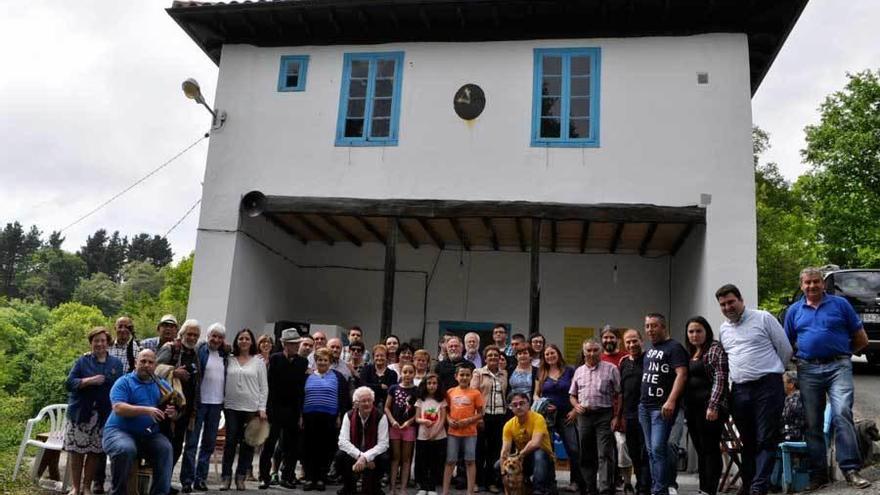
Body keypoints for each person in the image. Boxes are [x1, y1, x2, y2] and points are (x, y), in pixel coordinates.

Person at [783, 268, 872, 489]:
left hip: (838, 366)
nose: (811, 286)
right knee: (812, 423)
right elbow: (787, 343)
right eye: (807, 283)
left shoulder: (840, 305)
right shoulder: (794, 311)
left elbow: (862, 339)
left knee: (842, 412)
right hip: (808, 370)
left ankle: (851, 469)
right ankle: (818, 475)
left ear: (823, 284)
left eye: (815, 282)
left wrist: (842, 353)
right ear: (801, 285)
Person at [717, 284, 792, 495]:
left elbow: (785, 349)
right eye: (723, 304)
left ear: (741, 300)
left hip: (767, 387)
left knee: (766, 438)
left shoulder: (763, 318)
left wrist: (773, 373)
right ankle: (749, 483)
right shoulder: (723, 329)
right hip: (740, 390)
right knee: (747, 441)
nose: (727, 307)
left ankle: (759, 486)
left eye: (731, 302)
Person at [102, 349, 177, 495]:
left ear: (155, 365)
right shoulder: (124, 382)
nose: (146, 365)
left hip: (149, 435)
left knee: (165, 448)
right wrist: (147, 410)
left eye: (150, 362)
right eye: (143, 361)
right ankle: (118, 492)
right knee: (125, 448)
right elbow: (118, 408)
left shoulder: (162, 385)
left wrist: (173, 413)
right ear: (136, 363)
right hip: (119, 432)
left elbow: (175, 410)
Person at [65, 327, 124, 495]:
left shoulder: (116, 364)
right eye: (96, 340)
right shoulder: (82, 361)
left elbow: (118, 387)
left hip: (103, 415)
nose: (100, 344)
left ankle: (87, 487)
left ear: (108, 343)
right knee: (77, 453)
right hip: (80, 413)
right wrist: (88, 381)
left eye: (103, 340)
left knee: (94, 453)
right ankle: (76, 488)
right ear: (91, 343)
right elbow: (69, 384)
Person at [639, 313, 687, 495]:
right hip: (644, 406)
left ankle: (659, 490)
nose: (650, 330)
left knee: (659, 449)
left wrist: (671, 400)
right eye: (647, 326)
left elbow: (682, 374)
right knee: (651, 450)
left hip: (661, 407)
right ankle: (658, 487)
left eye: (654, 326)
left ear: (663, 327)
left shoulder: (674, 347)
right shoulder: (650, 349)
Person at [683, 316, 729, 495]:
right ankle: (703, 488)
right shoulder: (690, 352)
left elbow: (720, 378)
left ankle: (710, 489)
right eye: (691, 332)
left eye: (698, 331)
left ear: (706, 331)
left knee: (710, 449)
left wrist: (713, 405)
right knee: (700, 450)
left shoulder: (714, 349)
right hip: (692, 409)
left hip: (710, 408)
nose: (695, 335)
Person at [180, 323, 228, 493]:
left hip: (216, 406)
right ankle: (187, 480)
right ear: (207, 336)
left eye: (220, 337)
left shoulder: (225, 355)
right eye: (213, 336)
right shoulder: (200, 351)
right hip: (198, 404)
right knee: (192, 443)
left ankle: (200, 479)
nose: (216, 339)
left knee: (208, 444)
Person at [570, 338, 620, 495]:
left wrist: (616, 416)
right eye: (588, 350)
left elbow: (619, 394)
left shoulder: (611, 369)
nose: (591, 353)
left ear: (600, 351)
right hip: (584, 416)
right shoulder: (578, 371)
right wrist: (575, 405)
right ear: (584, 353)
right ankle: (590, 487)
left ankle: (605, 488)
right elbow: (572, 394)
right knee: (586, 452)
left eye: (595, 350)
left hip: (604, 414)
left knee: (604, 452)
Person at [259, 328, 308, 490]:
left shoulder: (302, 362)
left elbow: (301, 389)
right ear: (284, 344)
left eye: (297, 343)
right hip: (274, 408)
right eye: (293, 344)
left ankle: (287, 476)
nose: (296, 346)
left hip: (293, 409)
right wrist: (265, 409)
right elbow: (269, 386)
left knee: (291, 446)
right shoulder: (275, 359)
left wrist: (300, 413)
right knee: (269, 444)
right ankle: (264, 477)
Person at [221, 328, 268, 491]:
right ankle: (225, 478)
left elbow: (264, 387)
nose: (244, 341)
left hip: (251, 408)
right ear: (236, 341)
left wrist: (262, 408)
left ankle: (241, 478)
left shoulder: (258, 361)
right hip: (231, 406)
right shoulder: (229, 359)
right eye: (241, 338)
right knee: (230, 442)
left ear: (252, 342)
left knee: (248, 443)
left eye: (247, 338)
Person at [156, 319, 203, 476]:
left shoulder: (194, 353)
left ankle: (166, 480)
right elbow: (154, 370)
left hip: (186, 409)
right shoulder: (170, 348)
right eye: (189, 334)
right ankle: (159, 481)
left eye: (196, 335)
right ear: (182, 334)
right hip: (168, 407)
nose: (192, 337)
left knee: (176, 447)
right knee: (165, 445)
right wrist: (174, 372)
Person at [302, 347, 351, 491]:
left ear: (330, 362)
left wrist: (339, 416)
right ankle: (310, 478)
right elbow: (301, 396)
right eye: (319, 360)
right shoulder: (308, 376)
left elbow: (343, 399)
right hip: (309, 417)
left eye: (325, 360)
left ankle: (321, 478)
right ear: (315, 361)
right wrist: (300, 416)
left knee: (326, 448)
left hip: (329, 418)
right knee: (309, 448)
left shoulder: (338, 377)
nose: (322, 362)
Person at [536, 343, 582, 493]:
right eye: (547, 354)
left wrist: (575, 410)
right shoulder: (541, 372)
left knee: (574, 449)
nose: (550, 356)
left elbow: (577, 392)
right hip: (547, 417)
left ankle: (575, 481)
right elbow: (536, 394)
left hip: (566, 415)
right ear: (544, 357)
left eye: (552, 353)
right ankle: (551, 482)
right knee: (549, 451)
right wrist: (540, 402)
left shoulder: (569, 371)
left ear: (558, 354)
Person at [336, 386, 390, 495]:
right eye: (363, 401)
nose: (367, 404)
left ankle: (374, 486)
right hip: (356, 453)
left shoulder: (381, 416)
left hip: (372, 454)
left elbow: (383, 444)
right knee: (340, 456)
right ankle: (349, 487)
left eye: (369, 400)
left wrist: (366, 457)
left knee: (384, 457)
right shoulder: (349, 415)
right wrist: (360, 456)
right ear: (356, 403)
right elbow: (342, 441)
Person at [500, 393, 556, 495]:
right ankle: (521, 484)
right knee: (498, 465)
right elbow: (505, 451)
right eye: (515, 404)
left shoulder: (538, 418)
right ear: (510, 408)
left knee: (539, 454)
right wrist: (503, 472)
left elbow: (535, 443)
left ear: (528, 404)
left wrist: (519, 455)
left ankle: (539, 489)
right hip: (524, 459)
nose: (518, 407)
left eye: (522, 403)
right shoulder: (508, 425)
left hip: (543, 459)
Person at [617, 329, 651, 495]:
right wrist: (619, 416)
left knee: (646, 452)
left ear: (641, 340)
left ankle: (645, 487)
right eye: (628, 342)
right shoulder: (623, 363)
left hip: (646, 414)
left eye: (634, 341)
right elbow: (621, 392)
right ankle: (640, 485)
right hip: (629, 416)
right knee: (634, 453)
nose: (631, 345)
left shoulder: (649, 359)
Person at [471, 345, 508, 493]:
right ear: (485, 358)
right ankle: (477, 482)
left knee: (495, 451)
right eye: (490, 355)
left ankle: (491, 482)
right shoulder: (478, 373)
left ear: (500, 358)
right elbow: (473, 395)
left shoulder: (504, 373)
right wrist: (477, 417)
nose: (493, 357)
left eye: (496, 355)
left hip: (499, 416)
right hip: (483, 416)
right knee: (479, 451)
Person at [443, 365, 484, 495]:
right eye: (462, 375)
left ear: (471, 377)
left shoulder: (475, 393)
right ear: (456, 377)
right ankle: (445, 491)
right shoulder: (450, 392)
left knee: (470, 461)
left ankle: (470, 492)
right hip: (453, 432)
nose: (464, 377)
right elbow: (446, 411)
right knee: (450, 461)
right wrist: (449, 420)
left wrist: (469, 420)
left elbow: (481, 413)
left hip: (470, 433)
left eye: (467, 375)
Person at [386, 363, 418, 494]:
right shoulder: (393, 388)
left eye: (410, 372)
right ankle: (392, 487)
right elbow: (387, 407)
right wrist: (392, 421)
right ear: (401, 373)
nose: (407, 375)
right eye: (405, 372)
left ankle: (403, 488)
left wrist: (409, 422)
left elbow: (419, 411)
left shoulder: (417, 390)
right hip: (395, 427)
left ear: (414, 374)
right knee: (395, 457)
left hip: (408, 428)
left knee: (406, 459)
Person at [415, 373, 448, 495]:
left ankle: (432, 487)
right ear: (425, 385)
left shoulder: (442, 401)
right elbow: (417, 418)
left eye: (434, 383)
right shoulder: (420, 400)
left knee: (436, 462)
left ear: (438, 385)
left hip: (439, 436)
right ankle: (423, 486)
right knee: (423, 462)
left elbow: (443, 419)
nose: (432, 386)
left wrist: (435, 432)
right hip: (423, 436)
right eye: (429, 383)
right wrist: (424, 421)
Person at [361, 344, 399, 409]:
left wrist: (372, 387)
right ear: (373, 357)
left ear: (386, 357)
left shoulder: (392, 374)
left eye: (382, 356)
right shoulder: (367, 369)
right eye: (377, 356)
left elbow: (390, 392)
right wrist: (380, 386)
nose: (379, 358)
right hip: (366, 406)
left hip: (386, 408)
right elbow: (362, 386)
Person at [781, 371, 805, 442]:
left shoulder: (796, 397)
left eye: (784, 382)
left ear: (791, 384)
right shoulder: (793, 396)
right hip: (794, 433)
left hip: (794, 435)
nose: (782, 385)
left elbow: (786, 417)